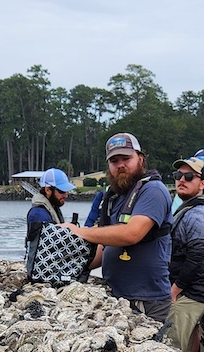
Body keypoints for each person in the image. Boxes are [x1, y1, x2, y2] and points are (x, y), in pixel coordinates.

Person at [63, 133, 172, 324]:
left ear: (140, 158)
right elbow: (105, 246)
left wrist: (79, 231)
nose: (120, 164)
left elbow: (132, 234)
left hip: (147, 301)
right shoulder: (116, 197)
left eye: (126, 158)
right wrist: (69, 269)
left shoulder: (153, 190)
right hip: (117, 297)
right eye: (114, 160)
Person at [165, 155, 204, 352]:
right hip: (185, 293)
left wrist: (174, 290)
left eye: (189, 176)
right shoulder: (187, 209)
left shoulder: (199, 214)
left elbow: (198, 255)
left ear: (203, 183)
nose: (181, 179)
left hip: (188, 295)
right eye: (178, 174)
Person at [26, 168, 75, 240]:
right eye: (62, 191)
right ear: (48, 190)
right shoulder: (38, 214)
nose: (66, 195)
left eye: (67, 191)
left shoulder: (51, 208)